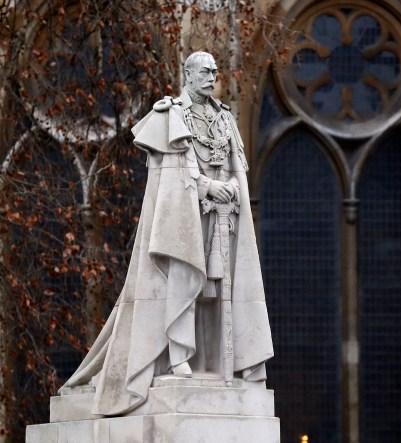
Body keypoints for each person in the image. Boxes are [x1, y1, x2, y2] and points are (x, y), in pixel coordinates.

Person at [61, 52, 273, 416]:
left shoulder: (224, 118)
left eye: (215, 71)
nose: (212, 76)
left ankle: (217, 361)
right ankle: (178, 358)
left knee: (222, 285)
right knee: (183, 275)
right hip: (186, 214)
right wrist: (208, 186)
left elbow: (238, 165)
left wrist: (236, 189)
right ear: (187, 75)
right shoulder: (170, 114)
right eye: (205, 71)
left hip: (223, 215)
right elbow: (174, 172)